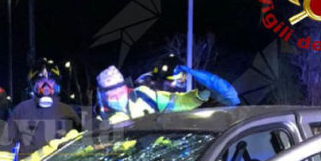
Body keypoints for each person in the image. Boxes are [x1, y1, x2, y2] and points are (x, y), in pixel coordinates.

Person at [96, 59, 239, 125]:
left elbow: (176, 102)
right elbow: (88, 145)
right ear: (102, 96)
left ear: (125, 88)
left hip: (167, 153)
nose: (118, 98)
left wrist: (200, 96)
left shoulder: (144, 95)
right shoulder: (102, 121)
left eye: (120, 92)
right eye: (112, 95)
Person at [0, 58, 81, 161]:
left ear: (56, 85)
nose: (46, 87)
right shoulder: (22, 110)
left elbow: (79, 144)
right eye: (41, 82)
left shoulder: (67, 111)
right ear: (34, 86)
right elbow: (6, 143)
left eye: (50, 82)